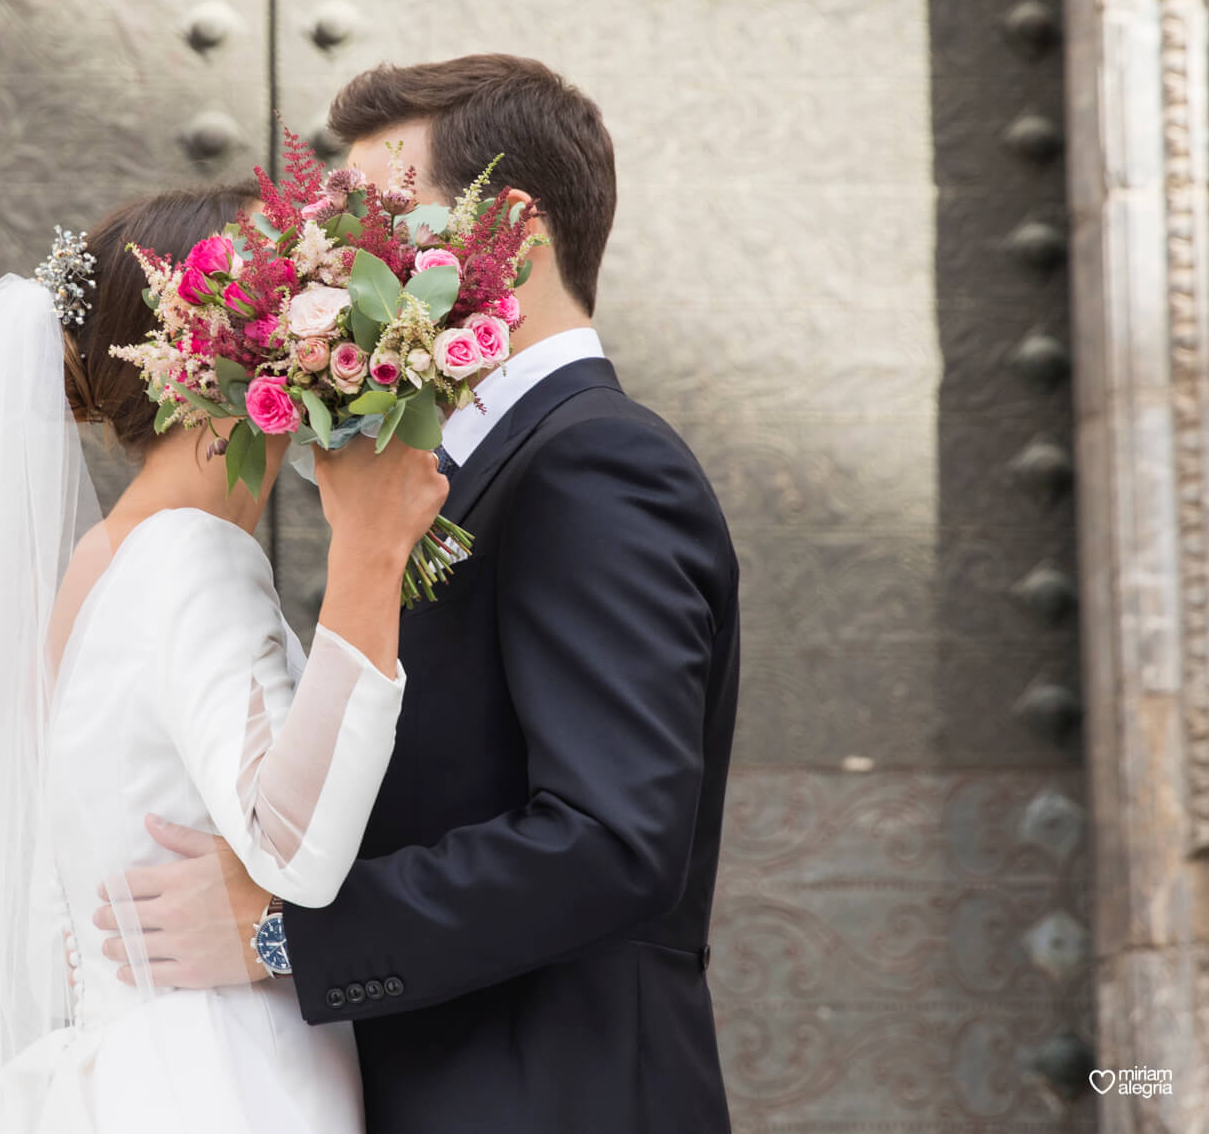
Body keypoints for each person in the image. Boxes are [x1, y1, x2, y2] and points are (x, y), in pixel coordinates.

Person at [94, 56, 742, 1133]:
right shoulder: (441, 470)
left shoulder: (594, 462)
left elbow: (610, 834)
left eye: (383, 219)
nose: (344, 261)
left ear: (511, 233)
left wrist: (279, 936)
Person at [0, 181, 449, 1134]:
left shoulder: (107, 563)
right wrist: (369, 559)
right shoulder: (190, 554)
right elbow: (292, 847)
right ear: (229, 354)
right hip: (221, 1083)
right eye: (307, 313)